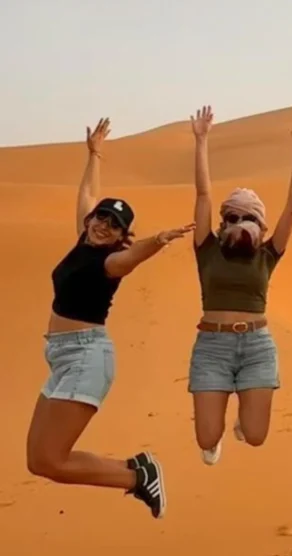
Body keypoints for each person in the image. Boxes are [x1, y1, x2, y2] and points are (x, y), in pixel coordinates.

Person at [25, 117, 194, 519]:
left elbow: (132, 257)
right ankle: (137, 472)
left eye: (114, 225)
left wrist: (157, 241)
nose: (104, 225)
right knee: (38, 460)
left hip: (87, 357)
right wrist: (95, 154)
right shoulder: (82, 242)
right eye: (101, 218)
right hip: (61, 357)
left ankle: (136, 477)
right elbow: (87, 194)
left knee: (52, 460)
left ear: (121, 236)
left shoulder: (110, 262)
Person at [187, 105, 292, 465]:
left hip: (256, 346)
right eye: (232, 216)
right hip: (212, 347)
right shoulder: (207, 248)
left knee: (255, 436)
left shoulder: (268, 253)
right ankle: (216, 434)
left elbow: (291, 210)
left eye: (248, 217)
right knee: (207, 438)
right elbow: (203, 195)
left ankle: (243, 421)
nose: (239, 222)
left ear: (261, 225)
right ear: (222, 221)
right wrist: (201, 140)